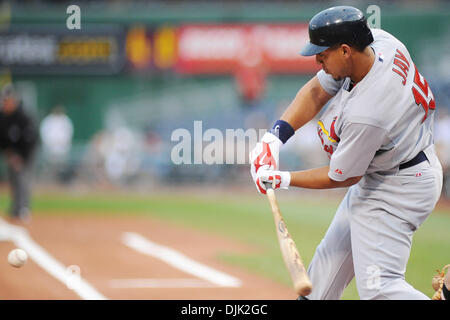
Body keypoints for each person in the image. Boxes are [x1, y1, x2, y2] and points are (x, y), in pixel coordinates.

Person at [249, 6, 443, 300]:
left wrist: (281, 179)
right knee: (321, 278)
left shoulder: (369, 112)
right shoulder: (379, 42)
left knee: (380, 288)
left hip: (400, 187)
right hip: (388, 170)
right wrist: (274, 139)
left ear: (344, 50)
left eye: (322, 54)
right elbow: (316, 91)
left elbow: (341, 176)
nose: (317, 60)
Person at [0, 84, 38, 222]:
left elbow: (31, 140)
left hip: (26, 154)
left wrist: (21, 157)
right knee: (13, 180)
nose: (5, 104)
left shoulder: (23, 117)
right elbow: (3, 139)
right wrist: (9, 154)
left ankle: (23, 208)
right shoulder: (3, 118)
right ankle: (15, 207)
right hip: (12, 155)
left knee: (22, 180)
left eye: (7, 101)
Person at [39, 104, 74, 182]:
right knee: (50, 168)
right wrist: (51, 143)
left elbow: (68, 133)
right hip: (50, 149)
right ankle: (49, 182)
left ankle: (61, 182)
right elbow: (44, 134)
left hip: (62, 149)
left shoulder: (65, 120)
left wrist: (62, 142)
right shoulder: (48, 120)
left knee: (61, 168)